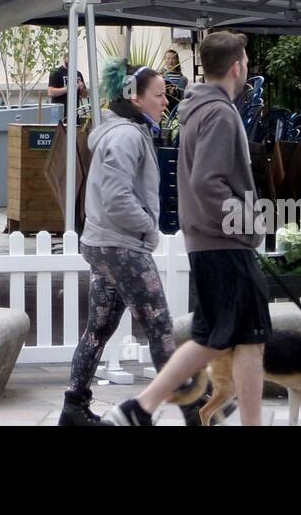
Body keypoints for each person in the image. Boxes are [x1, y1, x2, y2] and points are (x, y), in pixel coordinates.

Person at [105, 31, 269, 427]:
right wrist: (247, 226)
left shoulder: (200, 109)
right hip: (225, 243)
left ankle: (139, 408)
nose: (246, 67)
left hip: (210, 242)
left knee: (215, 337)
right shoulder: (220, 114)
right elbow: (207, 182)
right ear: (236, 66)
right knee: (249, 335)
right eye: (245, 61)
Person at [60, 62, 204, 427]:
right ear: (134, 98)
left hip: (104, 243)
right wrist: (147, 230)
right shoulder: (126, 136)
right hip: (122, 245)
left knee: (98, 328)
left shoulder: (122, 132)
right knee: (160, 329)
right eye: (158, 95)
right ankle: (196, 413)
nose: (164, 103)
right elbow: (116, 196)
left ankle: (73, 409)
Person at [160, 48, 189, 118]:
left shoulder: (180, 74)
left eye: (173, 59)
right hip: (168, 99)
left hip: (178, 98)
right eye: (168, 58)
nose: (170, 61)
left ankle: (181, 110)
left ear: (177, 60)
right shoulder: (161, 73)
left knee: (183, 79)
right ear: (165, 60)